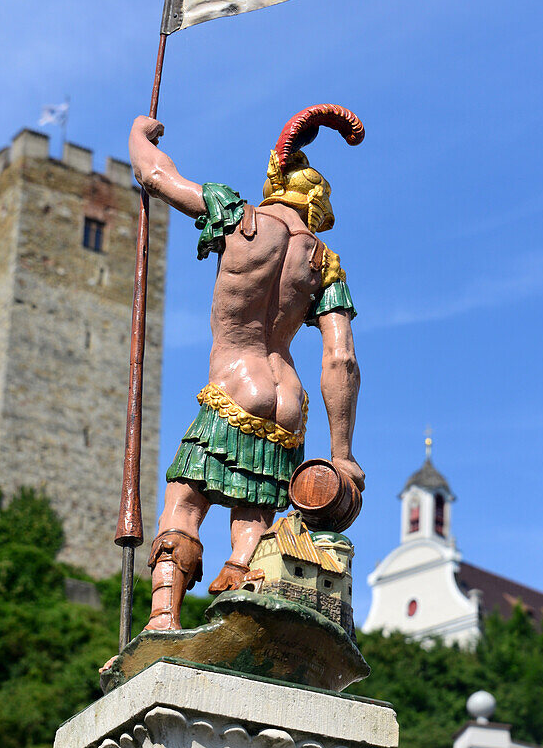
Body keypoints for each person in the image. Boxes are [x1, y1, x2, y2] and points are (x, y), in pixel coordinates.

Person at [128, 104, 366, 632]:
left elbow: (155, 175)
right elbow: (341, 357)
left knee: (184, 506)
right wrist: (342, 454)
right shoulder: (324, 263)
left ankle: (163, 620)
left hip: (236, 387)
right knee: (253, 525)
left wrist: (139, 135)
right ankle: (236, 623)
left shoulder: (238, 216)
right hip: (289, 404)